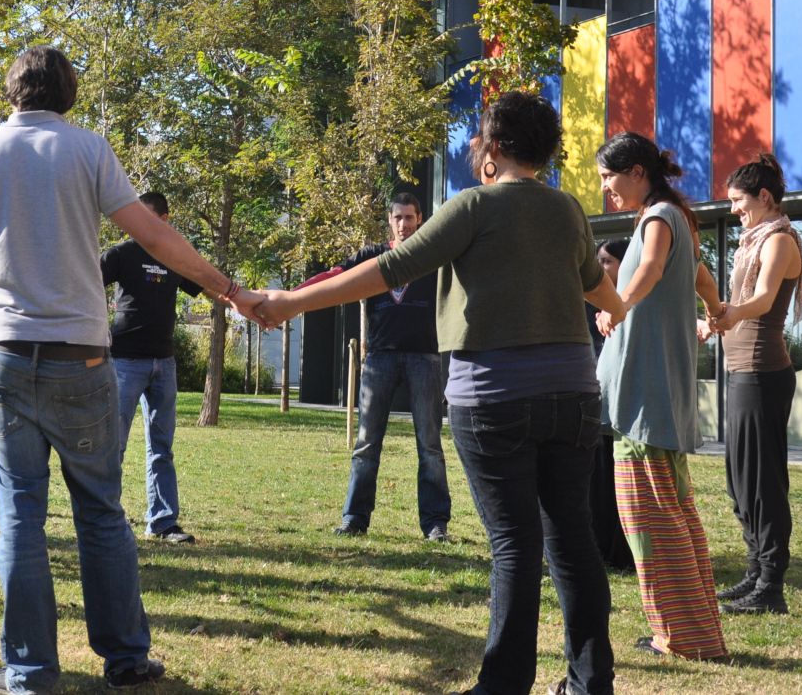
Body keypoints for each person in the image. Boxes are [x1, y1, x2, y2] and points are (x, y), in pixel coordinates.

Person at [0, 45, 260, 694]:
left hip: (9, 356)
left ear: (12, 92)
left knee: (21, 516)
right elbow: (155, 238)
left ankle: (30, 671)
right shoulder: (90, 150)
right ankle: (126, 658)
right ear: (68, 94)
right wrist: (230, 292)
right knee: (100, 512)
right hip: (86, 357)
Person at [253, 92, 624, 695]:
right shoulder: (568, 211)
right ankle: (590, 683)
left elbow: (391, 269)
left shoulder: (472, 206)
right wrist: (623, 302)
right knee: (573, 540)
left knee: (514, 546)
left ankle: (503, 686)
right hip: (573, 394)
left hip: (494, 398)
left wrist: (290, 302)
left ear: (492, 148)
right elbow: (602, 294)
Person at [593, 131, 728, 661]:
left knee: (649, 522)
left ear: (638, 173)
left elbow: (649, 269)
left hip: (644, 400)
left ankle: (681, 638)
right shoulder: (677, 219)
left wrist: (617, 305)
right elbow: (701, 275)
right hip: (657, 396)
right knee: (675, 515)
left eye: (610, 177)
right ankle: (693, 633)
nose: (607, 189)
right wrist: (715, 311)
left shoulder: (657, 220)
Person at [298, 191, 450, 542]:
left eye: (409, 217)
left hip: (425, 359)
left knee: (430, 445)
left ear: (420, 219)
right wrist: (292, 297)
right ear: (390, 222)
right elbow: (335, 276)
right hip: (379, 358)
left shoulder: (433, 258)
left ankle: (435, 524)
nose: (403, 224)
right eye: (397, 217)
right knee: (366, 443)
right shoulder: (372, 256)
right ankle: (354, 518)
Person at [708, 154, 802, 615]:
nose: (733, 210)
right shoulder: (756, 240)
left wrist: (728, 313)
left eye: (738, 201)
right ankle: (754, 572)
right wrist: (717, 322)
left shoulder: (780, 240)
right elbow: (744, 303)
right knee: (740, 479)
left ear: (764, 197)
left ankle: (770, 584)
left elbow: (763, 300)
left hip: (763, 372)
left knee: (762, 482)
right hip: (742, 372)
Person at [100, 191, 203, 545]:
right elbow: (86, 284)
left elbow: (200, 282)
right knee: (114, 445)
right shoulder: (119, 254)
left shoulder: (174, 257)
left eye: (145, 219)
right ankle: (105, 521)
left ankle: (162, 522)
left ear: (164, 220)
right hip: (125, 362)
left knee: (162, 446)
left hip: (165, 363)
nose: (136, 226)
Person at [587, 239, 636, 573]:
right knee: (598, 482)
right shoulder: (592, 305)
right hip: (597, 408)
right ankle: (601, 547)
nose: (600, 268)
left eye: (606, 262)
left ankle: (622, 551)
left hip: (626, 413)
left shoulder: (635, 305)